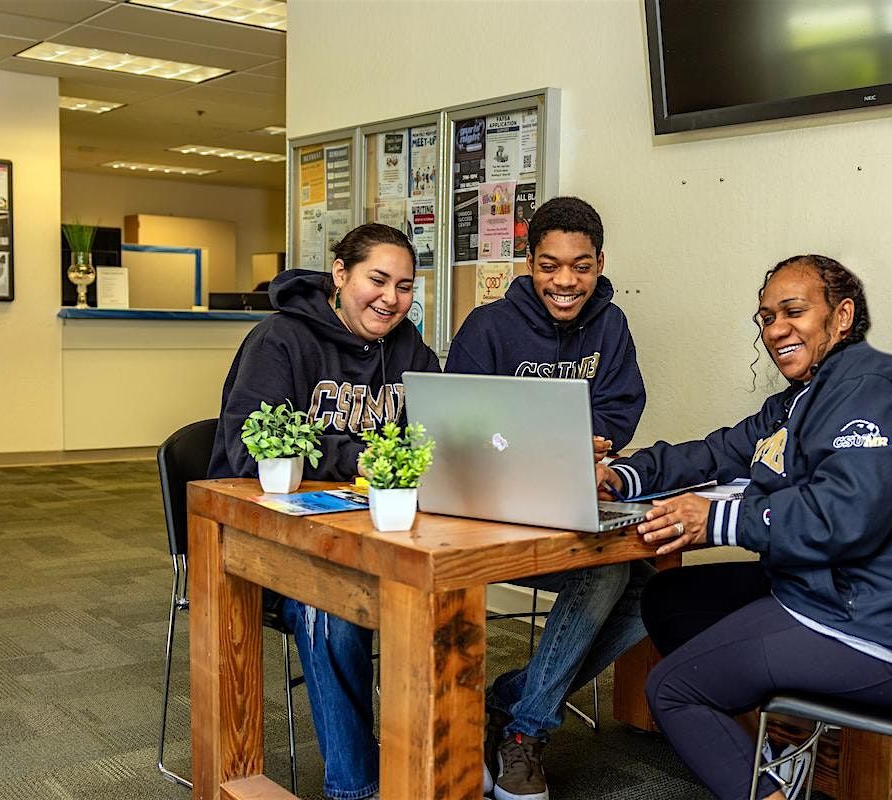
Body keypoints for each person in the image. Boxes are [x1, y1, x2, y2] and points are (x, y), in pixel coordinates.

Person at [596, 255, 892, 800]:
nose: (776, 329)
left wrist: (718, 519)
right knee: (669, 597)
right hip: (841, 598)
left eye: (793, 311)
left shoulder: (880, 387)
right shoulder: (803, 400)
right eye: (765, 317)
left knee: (674, 689)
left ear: (842, 316)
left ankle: (766, 776)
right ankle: (776, 753)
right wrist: (623, 474)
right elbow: (717, 452)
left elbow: (843, 517)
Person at [208, 223, 439, 800]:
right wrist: (364, 457)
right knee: (329, 606)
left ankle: (455, 752)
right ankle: (355, 788)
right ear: (341, 275)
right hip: (267, 546)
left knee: (444, 594)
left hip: (376, 537)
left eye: (406, 286)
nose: (391, 298)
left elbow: (443, 429)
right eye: (377, 280)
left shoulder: (409, 348)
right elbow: (244, 449)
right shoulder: (280, 340)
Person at [446, 196, 651, 800]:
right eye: (550, 265)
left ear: (599, 263)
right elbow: (457, 424)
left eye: (581, 266)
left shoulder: (610, 325)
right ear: (529, 263)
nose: (566, 281)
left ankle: (515, 704)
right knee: (607, 575)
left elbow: (620, 406)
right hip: (491, 509)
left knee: (649, 591)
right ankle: (527, 730)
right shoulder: (488, 328)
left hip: (570, 495)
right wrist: (533, 442)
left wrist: (593, 442)